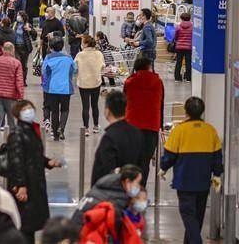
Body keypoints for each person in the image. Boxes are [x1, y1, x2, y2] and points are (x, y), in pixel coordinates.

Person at [159, 97, 223, 244]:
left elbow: (169, 155)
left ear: (186, 111)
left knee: (188, 216)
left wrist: (163, 168)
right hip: (203, 182)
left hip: (184, 181)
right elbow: (217, 156)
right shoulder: (210, 130)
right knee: (197, 217)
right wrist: (217, 174)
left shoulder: (179, 130)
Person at [7, 100, 63, 243]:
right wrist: (21, 185)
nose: (29, 111)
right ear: (18, 114)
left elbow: (33, 155)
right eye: (25, 109)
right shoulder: (17, 134)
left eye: (30, 108)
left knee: (30, 224)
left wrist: (47, 162)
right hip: (26, 185)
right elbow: (16, 161)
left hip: (34, 182)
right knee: (25, 223)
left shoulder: (31, 130)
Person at [124, 57, 164, 186]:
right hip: (151, 126)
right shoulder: (158, 82)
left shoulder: (129, 82)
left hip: (132, 126)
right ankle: (141, 188)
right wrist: (160, 125)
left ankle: (131, 188)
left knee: (131, 160)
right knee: (144, 162)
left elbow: (124, 102)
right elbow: (161, 104)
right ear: (148, 67)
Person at [90, 91, 144, 185]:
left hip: (111, 192)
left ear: (107, 111)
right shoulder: (137, 133)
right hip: (131, 188)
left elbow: (108, 170)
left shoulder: (109, 137)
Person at [72, 164, 143, 230]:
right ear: (127, 182)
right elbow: (111, 230)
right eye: (137, 183)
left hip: (76, 230)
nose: (139, 187)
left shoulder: (106, 185)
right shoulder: (117, 199)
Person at [0, 42, 24, 149]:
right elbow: (19, 81)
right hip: (11, 96)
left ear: (3, 50)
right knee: (12, 119)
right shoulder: (16, 63)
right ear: (12, 50)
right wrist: (20, 95)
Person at [42, 37, 77, 141]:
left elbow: (44, 71)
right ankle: (61, 128)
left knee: (55, 111)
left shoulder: (48, 57)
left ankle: (55, 133)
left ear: (51, 47)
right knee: (65, 109)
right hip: (66, 88)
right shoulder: (68, 57)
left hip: (52, 89)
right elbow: (74, 70)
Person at [74, 35, 105, 136]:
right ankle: (96, 126)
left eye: (82, 42)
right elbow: (102, 66)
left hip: (83, 83)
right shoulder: (99, 54)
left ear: (86, 44)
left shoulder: (80, 55)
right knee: (95, 105)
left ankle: (86, 128)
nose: (81, 44)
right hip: (96, 82)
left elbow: (74, 69)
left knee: (85, 106)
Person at [12, 11, 37, 84]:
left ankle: (23, 80)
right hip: (16, 46)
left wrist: (30, 30)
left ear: (23, 17)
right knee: (17, 63)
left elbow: (34, 35)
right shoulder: (15, 24)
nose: (17, 17)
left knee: (23, 64)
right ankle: (17, 80)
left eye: (19, 15)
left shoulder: (27, 25)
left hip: (25, 47)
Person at [174, 12, 193, 82]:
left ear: (181, 18)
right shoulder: (192, 27)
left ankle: (177, 77)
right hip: (188, 47)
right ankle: (188, 78)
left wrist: (178, 41)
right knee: (188, 63)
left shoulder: (178, 27)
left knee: (179, 62)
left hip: (179, 47)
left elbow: (175, 37)